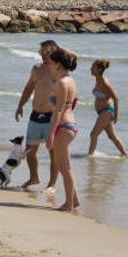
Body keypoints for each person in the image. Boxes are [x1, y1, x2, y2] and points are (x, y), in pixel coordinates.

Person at [13, 39, 60, 190]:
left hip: (51, 117)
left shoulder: (59, 70)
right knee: (30, 151)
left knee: (53, 152)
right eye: (41, 52)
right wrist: (20, 106)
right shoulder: (36, 69)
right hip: (35, 115)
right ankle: (34, 177)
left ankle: (52, 184)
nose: (43, 55)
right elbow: (28, 89)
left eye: (47, 52)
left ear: (54, 52)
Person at [46, 46, 80, 211]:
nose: (50, 65)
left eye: (52, 63)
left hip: (63, 126)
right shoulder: (71, 80)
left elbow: (58, 110)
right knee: (62, 165)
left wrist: (50, 134)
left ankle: (69, 204)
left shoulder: (61, 82)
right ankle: (75, 199)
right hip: (70, 125)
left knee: (65, 168)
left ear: (59, 64)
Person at [87, 58, 128, 157]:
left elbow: (116, 98)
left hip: (107, 111)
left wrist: (116, 116)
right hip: (102, 112)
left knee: (93, 134)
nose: (90, 69)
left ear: (99, 69)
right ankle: (124, 154)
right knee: (112, 136)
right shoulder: (98, 80)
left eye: (93, 67)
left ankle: (90, 157)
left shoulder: (104, 82)